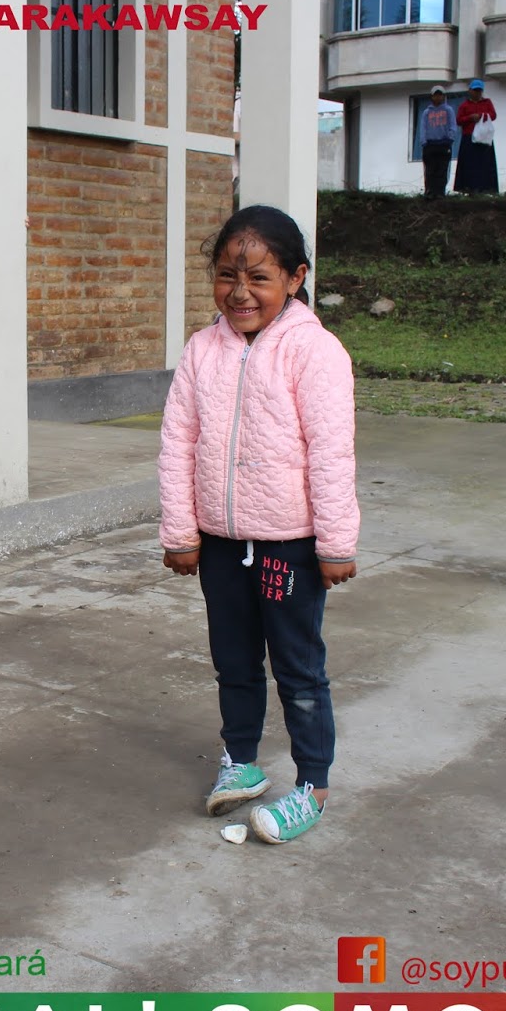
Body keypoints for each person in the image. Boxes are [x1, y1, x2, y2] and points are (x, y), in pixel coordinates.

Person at [158, 205, 361, 845]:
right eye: (227, 275)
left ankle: (313, 785)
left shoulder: (315, 352)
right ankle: (240, 761)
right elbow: (177, 443)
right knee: (234, 661)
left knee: (298, 667)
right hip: (220, 545)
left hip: (290, 547)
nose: (240, 292)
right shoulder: (202, 349)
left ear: (295, 278)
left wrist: (335, 543)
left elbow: (331, 452)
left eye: (259, 277)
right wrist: (180, 532)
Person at [453, 79, 498, 195]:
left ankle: (485, 188)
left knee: (484, 164)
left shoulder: (487, 103)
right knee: (469, 165)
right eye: (475, 90)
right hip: (469, 137)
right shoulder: (464, 105)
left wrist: (482, 116)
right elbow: (458, 120)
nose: (477, 93)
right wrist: (470, 118)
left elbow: (493, 115)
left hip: (484, 138)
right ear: (470, 91)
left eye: (479, 91)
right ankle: (469, 188)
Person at [419, 86, 457, 199]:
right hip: (430, 144)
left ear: (444, 96)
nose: (438, 97)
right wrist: (424, 142)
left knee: (442, 169)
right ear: (432, 97)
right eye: (435, 95)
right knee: (430, 170)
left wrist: (449, 139)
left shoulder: (448, 110)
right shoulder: (426, 112)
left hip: (444, 144)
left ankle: (440, 193)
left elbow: (453, 126)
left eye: (440, 95)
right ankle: (430, 192)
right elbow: (423, 128)